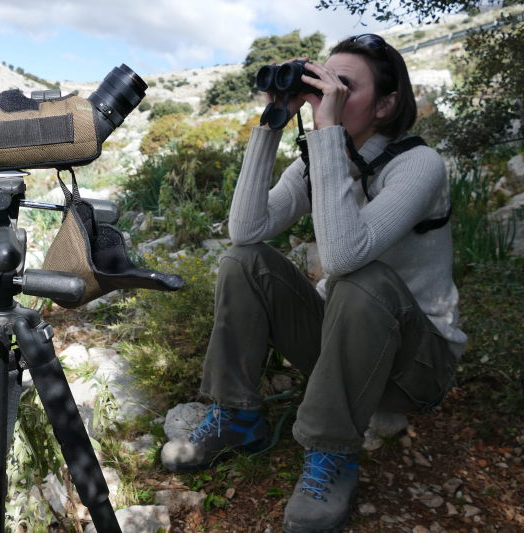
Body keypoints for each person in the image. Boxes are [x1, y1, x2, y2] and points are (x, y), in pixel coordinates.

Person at [160, 34, 467, 533]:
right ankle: (238, 416)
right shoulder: (322, 159)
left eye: (343, 86)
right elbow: (246, 231)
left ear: (387, 104)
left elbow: (346, 256)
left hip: (415, 367)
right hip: (344, 349)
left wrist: (325, 133)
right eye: (323, 82)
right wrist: (272, 125)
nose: (329, 95)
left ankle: (332, 451)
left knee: (358, 275)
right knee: (244, 260)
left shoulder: (419, 165)